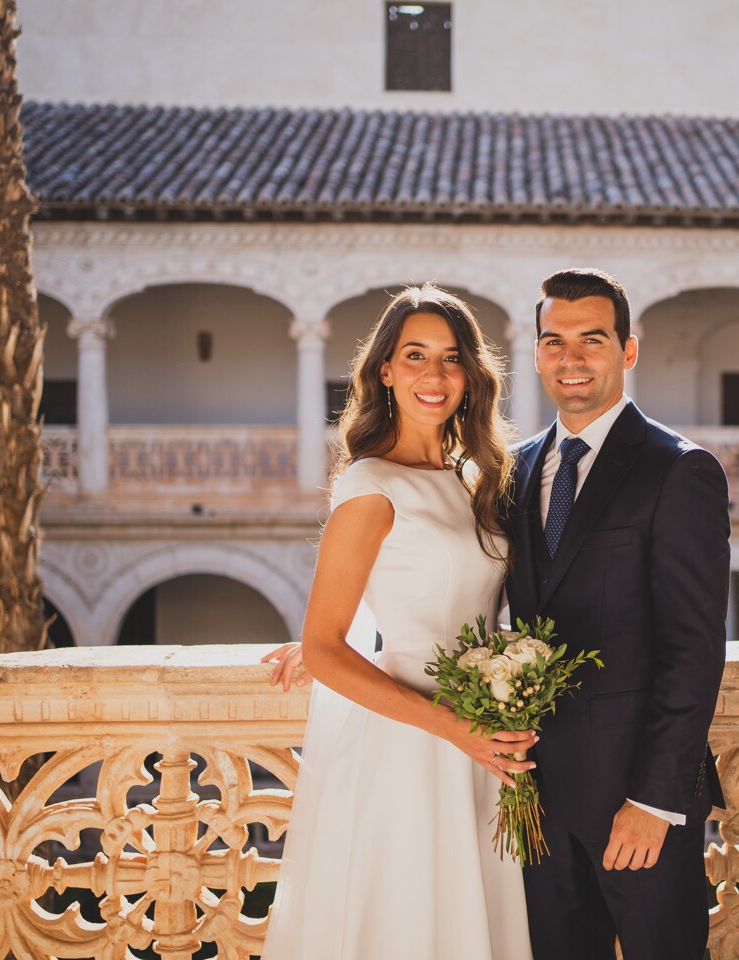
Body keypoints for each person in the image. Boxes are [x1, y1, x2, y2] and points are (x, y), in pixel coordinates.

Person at [259, 284, 535, 960]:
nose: (434, 376)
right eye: (415, 356)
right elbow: (326, 647)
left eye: (450, 358)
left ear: (471, 374)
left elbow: (444, 594)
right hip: (414, 741)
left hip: (481, 738)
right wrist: (457, 728)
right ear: (384, 369)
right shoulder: (369, 484)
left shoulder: (477, 476)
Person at [506, 267, 730, 960]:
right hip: (534, 809)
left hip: (639, 808)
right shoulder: (512, 471)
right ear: (537, 352)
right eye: (553, 341)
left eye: (591, 340)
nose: (570, 358)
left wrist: (655, 801)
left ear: (628, 351)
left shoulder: (680, 470)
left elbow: (693, 651)